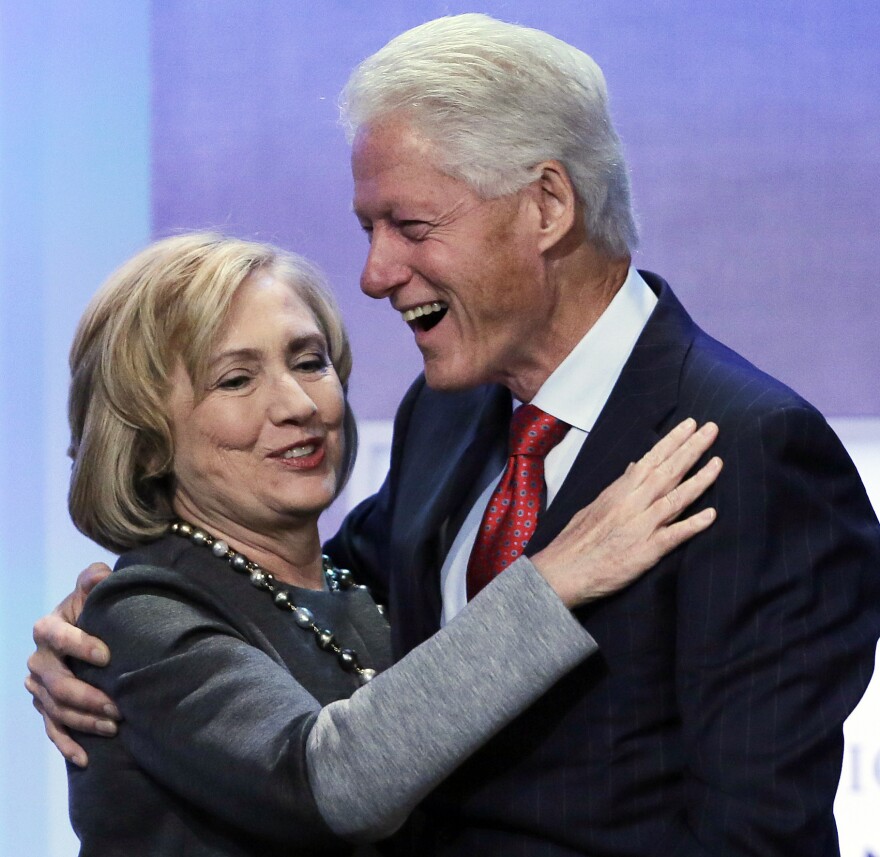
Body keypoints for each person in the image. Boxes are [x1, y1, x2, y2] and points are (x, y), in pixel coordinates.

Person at [28, 13, 880, 856]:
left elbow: (758, 832)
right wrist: (101, 633)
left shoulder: (749, 452)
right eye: (369, 229)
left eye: (411, 225)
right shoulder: (451, 412)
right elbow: (290, 604)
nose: (374, 274)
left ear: (547, 204)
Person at [49, 231, 720, 856]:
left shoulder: (355, 574)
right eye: (236, 379)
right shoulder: (141, 616)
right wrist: (552, 582)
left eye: (309, 362)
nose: (298, 404)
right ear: (144, 438)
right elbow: (329, 782)